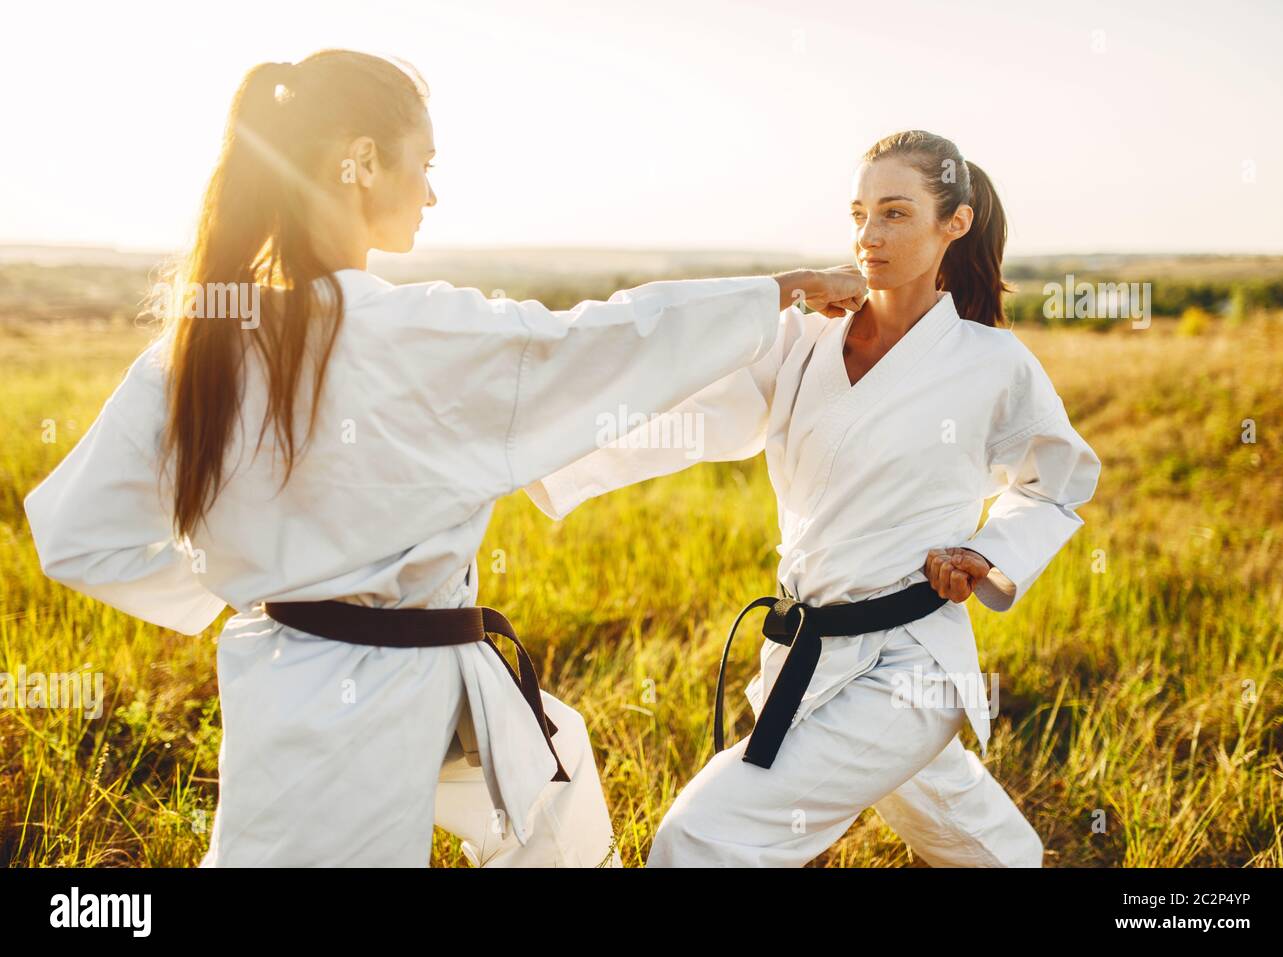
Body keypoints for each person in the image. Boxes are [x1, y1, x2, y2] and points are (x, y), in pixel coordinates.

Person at [22, 49, 869, 867]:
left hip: (318, 675)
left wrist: (265, 572)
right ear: (360, 161)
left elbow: (76, 539)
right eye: (422, 162)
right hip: (373, 699)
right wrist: (776, 295)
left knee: (555, 808)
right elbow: (597, 344)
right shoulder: (422, 328)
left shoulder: (193, 346)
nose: (431, 190)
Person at [525, 130, 1102, 867]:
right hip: (804, 649)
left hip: (907, 664)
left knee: (702, 836)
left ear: (953, 223)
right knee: (976, 839)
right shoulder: (802, 338)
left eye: (895, 213)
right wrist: (543, 448)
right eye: (859, 212)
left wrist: (986, 554)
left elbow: (1056, 486)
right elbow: (687, 409)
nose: (868, 235)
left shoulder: (992, 364)